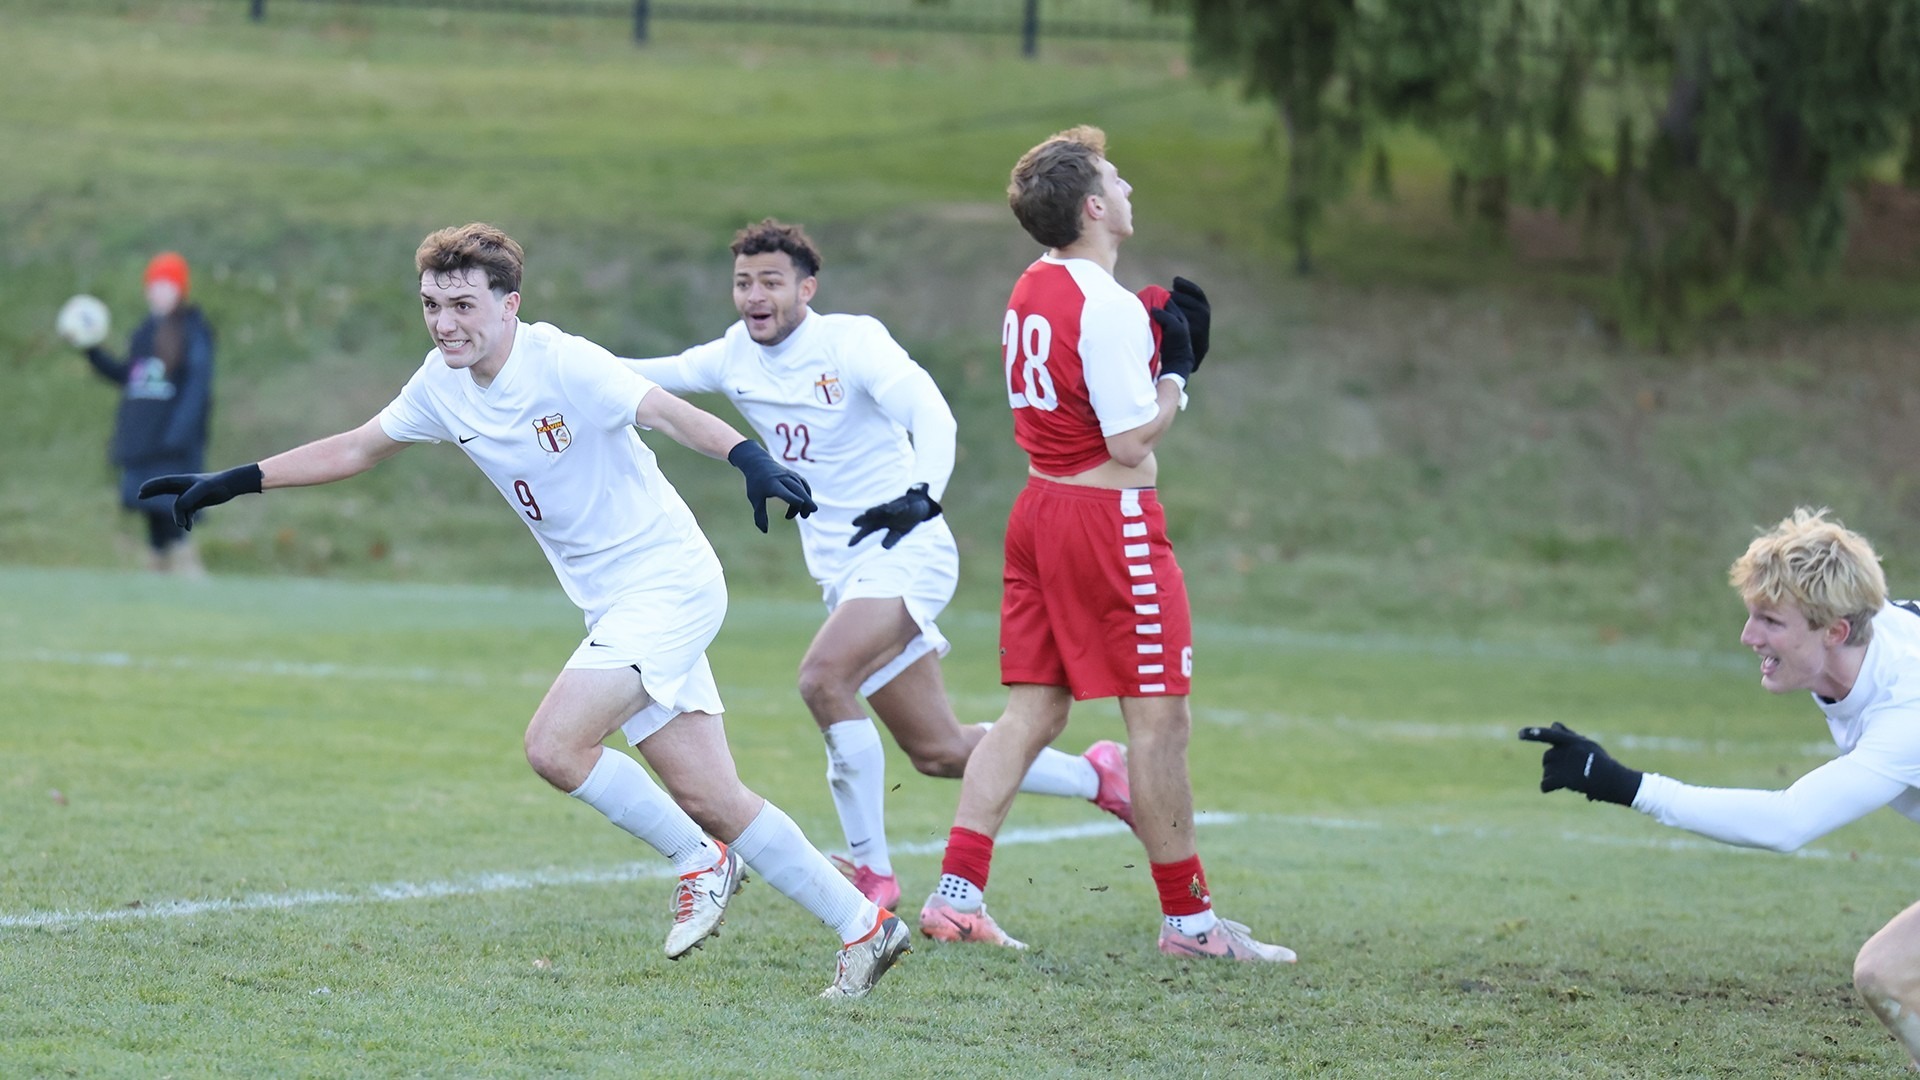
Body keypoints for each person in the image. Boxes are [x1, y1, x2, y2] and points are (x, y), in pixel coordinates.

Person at [140, 223, 909, 999]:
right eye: (432, 304)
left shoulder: (563, 361)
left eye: (464, 304)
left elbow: (666, 411)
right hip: (613, 603)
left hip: (668, 584)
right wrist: (231, 481)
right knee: (713, 796)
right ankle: (864, 927)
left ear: (510, 304)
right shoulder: (442, 381)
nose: (445, 323)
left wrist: (748, 458)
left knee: (555, 745)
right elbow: (357, 448)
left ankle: (702, 860)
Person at [621, 219, 1136, 911]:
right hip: (843, 575)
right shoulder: (730, 357)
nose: (754, 295)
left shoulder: (851, 341)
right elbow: (633, 378)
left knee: (823, 679)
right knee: (940, 750)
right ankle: (1101, 778)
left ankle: (873, 874)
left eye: (771, 281)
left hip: (906, 548)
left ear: (807, 287)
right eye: (743, 282)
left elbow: (933, 415)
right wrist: (540, 354)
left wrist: (923, 495)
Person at [916, 126, 1295, 961]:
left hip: (1039, 512)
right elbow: (1130, 441)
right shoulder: (1108, 304)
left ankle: (955, 896)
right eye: (1117, 180)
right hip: (1106, 524)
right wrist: (1177, 377)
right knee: (1159, 722)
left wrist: (1150, 354)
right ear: (1093, 207)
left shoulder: (1031, 284)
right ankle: (1192, 926)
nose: (1129, 191)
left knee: (1033, 711)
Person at [1522, 506, 1920, 1067]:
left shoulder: (1908, 701)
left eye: (1771, 622)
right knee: (1888, 975)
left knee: (1889, 973)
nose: (1748, 636)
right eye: (1753, 615)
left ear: (1834, 631)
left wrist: (1626, 785)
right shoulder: (1871, 639)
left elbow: (1789, 823)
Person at [77, 252, 215, 576]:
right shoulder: (145, 332)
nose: (158, 292)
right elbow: (131, 377)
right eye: (154, 286)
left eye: (166, 286)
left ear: (180, 290)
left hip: (171, 440)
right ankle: (157, 566)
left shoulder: (194, 331)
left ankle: (186, 563)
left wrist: (180, 434)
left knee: (173, 504)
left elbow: (198, 387)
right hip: (143, 435)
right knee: (149, 505)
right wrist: (93, 352)